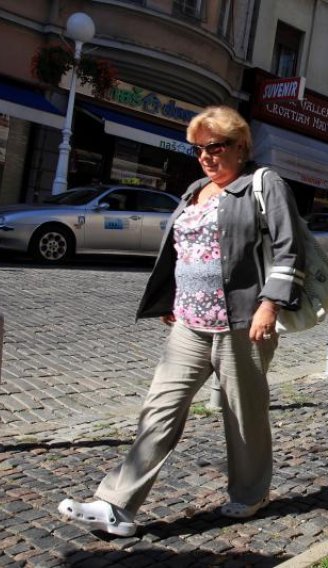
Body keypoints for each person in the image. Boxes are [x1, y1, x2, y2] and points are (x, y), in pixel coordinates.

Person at [58, 106, 305, 537]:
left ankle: (250, 493)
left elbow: (289, 248)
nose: (206, 156)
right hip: (189, 325)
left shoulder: (263, 185)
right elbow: (183, 252)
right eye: (198, 149)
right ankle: (115, 505)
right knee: (160, 408)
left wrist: (270, 305)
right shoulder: (196, 189)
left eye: (216, 147)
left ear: (241, 146)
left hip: (241, 322)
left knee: (243, 414)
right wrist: (173, 298)